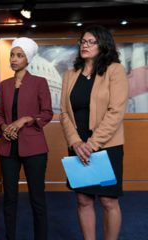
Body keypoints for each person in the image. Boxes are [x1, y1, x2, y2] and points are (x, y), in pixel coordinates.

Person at [59, 25, 129, 240]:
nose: (85, 45)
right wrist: (76, 142)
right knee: (84, 200)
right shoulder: (71, 75)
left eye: (91, 42)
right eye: (82, 41)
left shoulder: (114, 70)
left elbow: (116, 111)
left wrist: (91, 144)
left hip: (107, 146)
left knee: (108, 201)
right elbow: (63, 112)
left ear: (103, 45)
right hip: (78, 147)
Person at [0, 37, 53, 240]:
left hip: (34, 148)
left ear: (28, 59)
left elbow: (47, 113)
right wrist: (3, 127)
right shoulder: (4, 85)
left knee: (37, 198)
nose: (14, 59)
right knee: (9, 198)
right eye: (12, 54)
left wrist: (25, 120)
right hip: (7, 148)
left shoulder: (39, 82)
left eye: (19, 55)